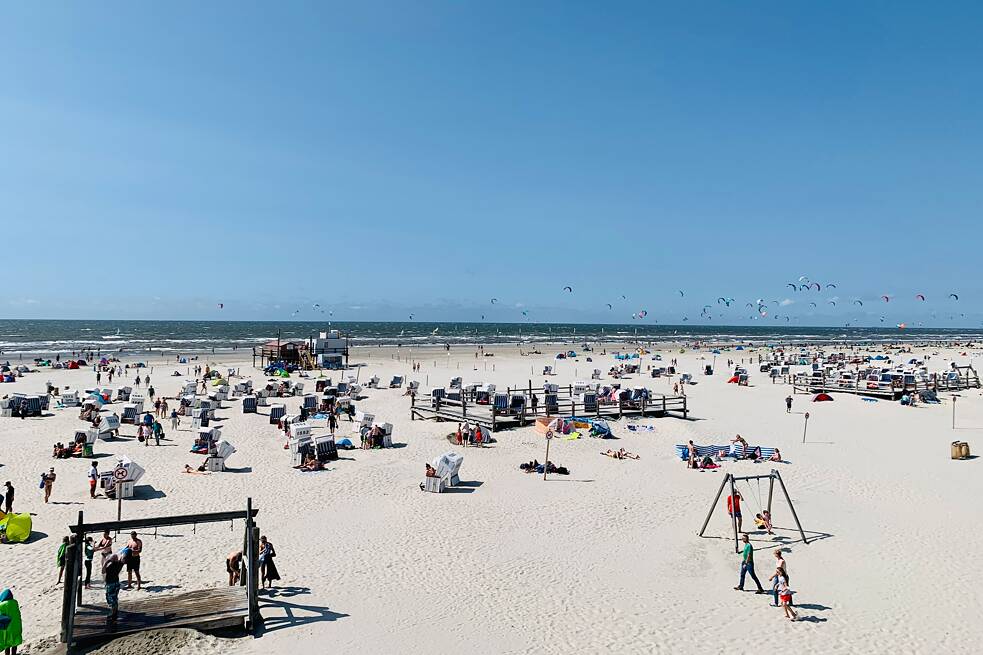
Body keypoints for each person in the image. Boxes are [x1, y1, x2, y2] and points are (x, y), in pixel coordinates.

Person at [103, 551, 128, 625]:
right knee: (115, 599)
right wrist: (122, 553)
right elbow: (123, 558)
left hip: (110, 584)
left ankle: (113, 616)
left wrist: (106, 562)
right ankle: (115, 614)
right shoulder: (119, 564)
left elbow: (103, 571)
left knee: (111, 600)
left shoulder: (110, 566)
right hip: (116, 583)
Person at [0, 588, 24, 655]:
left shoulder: (1, 605)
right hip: (16, 626)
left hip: (7, 627)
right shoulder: (15, 603)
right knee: (14, 643)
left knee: (7, 643)